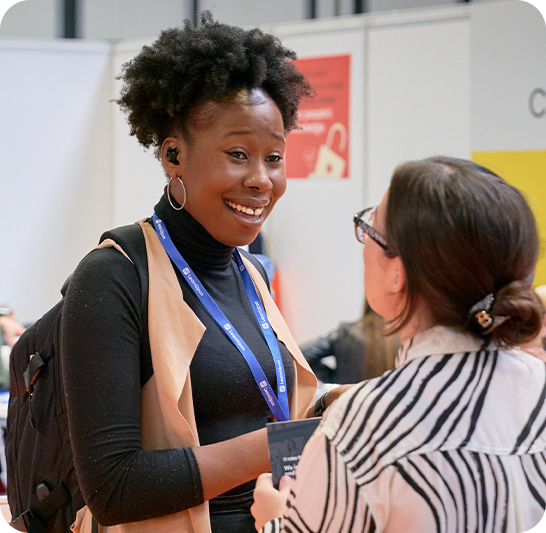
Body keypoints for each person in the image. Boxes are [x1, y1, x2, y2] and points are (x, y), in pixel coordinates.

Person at [60, 13, 319, 533]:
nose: (261, 180)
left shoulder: (251, 272)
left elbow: (258, 409)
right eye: (238, 155)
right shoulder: (112, 277)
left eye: (274, 157)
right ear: (173, 155)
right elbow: (114, 488)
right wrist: (279, 445)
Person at [251, 156, 546, 532]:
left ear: (397, 274)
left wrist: (276, 518)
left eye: (370, 227)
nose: (363, 242)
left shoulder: (366, 424)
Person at [300, 300, 400, 384]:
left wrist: (333, 378)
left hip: (348, 403)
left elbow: (300, 354)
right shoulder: (408, 338)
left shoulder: (346, 332)